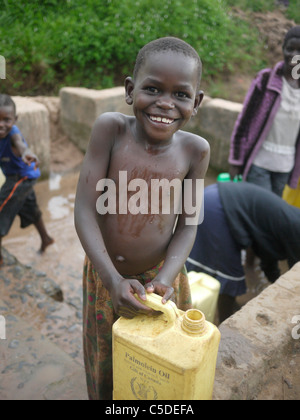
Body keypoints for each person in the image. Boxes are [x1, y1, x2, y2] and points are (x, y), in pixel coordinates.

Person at [74, 37, 210, 400]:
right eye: (152, 89)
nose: (165, 103)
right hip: (107, 278)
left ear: (195, 103)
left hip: (161, 284)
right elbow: (86, 209)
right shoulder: (111, 130)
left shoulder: (195, 151)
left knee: (159, 367)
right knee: (107, 361)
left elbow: (188, 223)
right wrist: (112, 278)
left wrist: (165, 280)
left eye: (181, 95)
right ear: (130, 90)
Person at [186, 181, 300, 323]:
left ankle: (226, 307)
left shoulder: (291, 219)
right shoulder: (296, 229)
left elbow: (267, 256)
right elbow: (295, 276)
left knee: (220, 269)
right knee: (229, 274)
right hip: (219, 208)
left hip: (213, 196)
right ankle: (226, 324)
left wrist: (274, 281)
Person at [229, 25, 300, 197]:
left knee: (272, 219)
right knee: (258, 215)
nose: (294, 55)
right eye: (290, 49)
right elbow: (244, 120)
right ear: (283, 49)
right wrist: (235, 160)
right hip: (259, 164)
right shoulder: (266, 80)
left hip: (284, 167)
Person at [0, 94, 54, 266]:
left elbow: (22, 146)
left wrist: (27, 154)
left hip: (21, 178)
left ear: (15, 119)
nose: (1, 124)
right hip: (22, 178)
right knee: (30, 208)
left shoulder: (13, 135)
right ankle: (46, 238)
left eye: (6, 120)